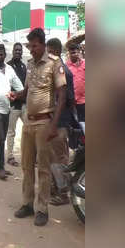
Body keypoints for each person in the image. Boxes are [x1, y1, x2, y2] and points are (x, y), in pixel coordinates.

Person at [12, 28, 67, 226]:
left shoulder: (54, 64)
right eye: (30, 46)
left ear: (43, 44)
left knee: (43, 168)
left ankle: (42, 208)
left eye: (34, 46)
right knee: (27, 166)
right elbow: (27, 90)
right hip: (28, 120)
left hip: (45, 122)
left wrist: (54, 125)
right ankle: (27, 204)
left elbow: (62, 97)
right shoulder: (30, 65)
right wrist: (16, 95)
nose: (32, 50)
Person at [0, 44, 24, 180]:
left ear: (5, 55)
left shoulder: (10, 70)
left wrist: (18, 93)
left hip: (7, 109)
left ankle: (0, 165)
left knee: (2, 138)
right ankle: (0, 168)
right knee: (0, 137)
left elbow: (19, 86)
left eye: (1, 54)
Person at [46, 38, 76, 206]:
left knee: (60, 158)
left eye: (49, 52)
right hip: (54, 122)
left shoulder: (63, 72)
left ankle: (63, 193)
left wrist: (67, 121)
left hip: (60, 123)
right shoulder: (56, 70)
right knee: (52, 157)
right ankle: (55, 188)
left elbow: (68, 100)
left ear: (56, 52)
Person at [6, 42, 28, 167]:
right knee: (11, 132)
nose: (18, 52)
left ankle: (31, 156)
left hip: (24, 104)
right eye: (16, 50)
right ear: (13, 51)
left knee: (29, 129)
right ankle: (10, 156)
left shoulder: (24, 67)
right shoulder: (8, 66)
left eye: (20, 50)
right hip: (13, 105)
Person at [66, 42, 85, 122]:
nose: (74, 54)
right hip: (73, 103)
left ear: (79, 52)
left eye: (76, 52)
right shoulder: (66, 66)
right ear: (69, 54)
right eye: (72, 53)